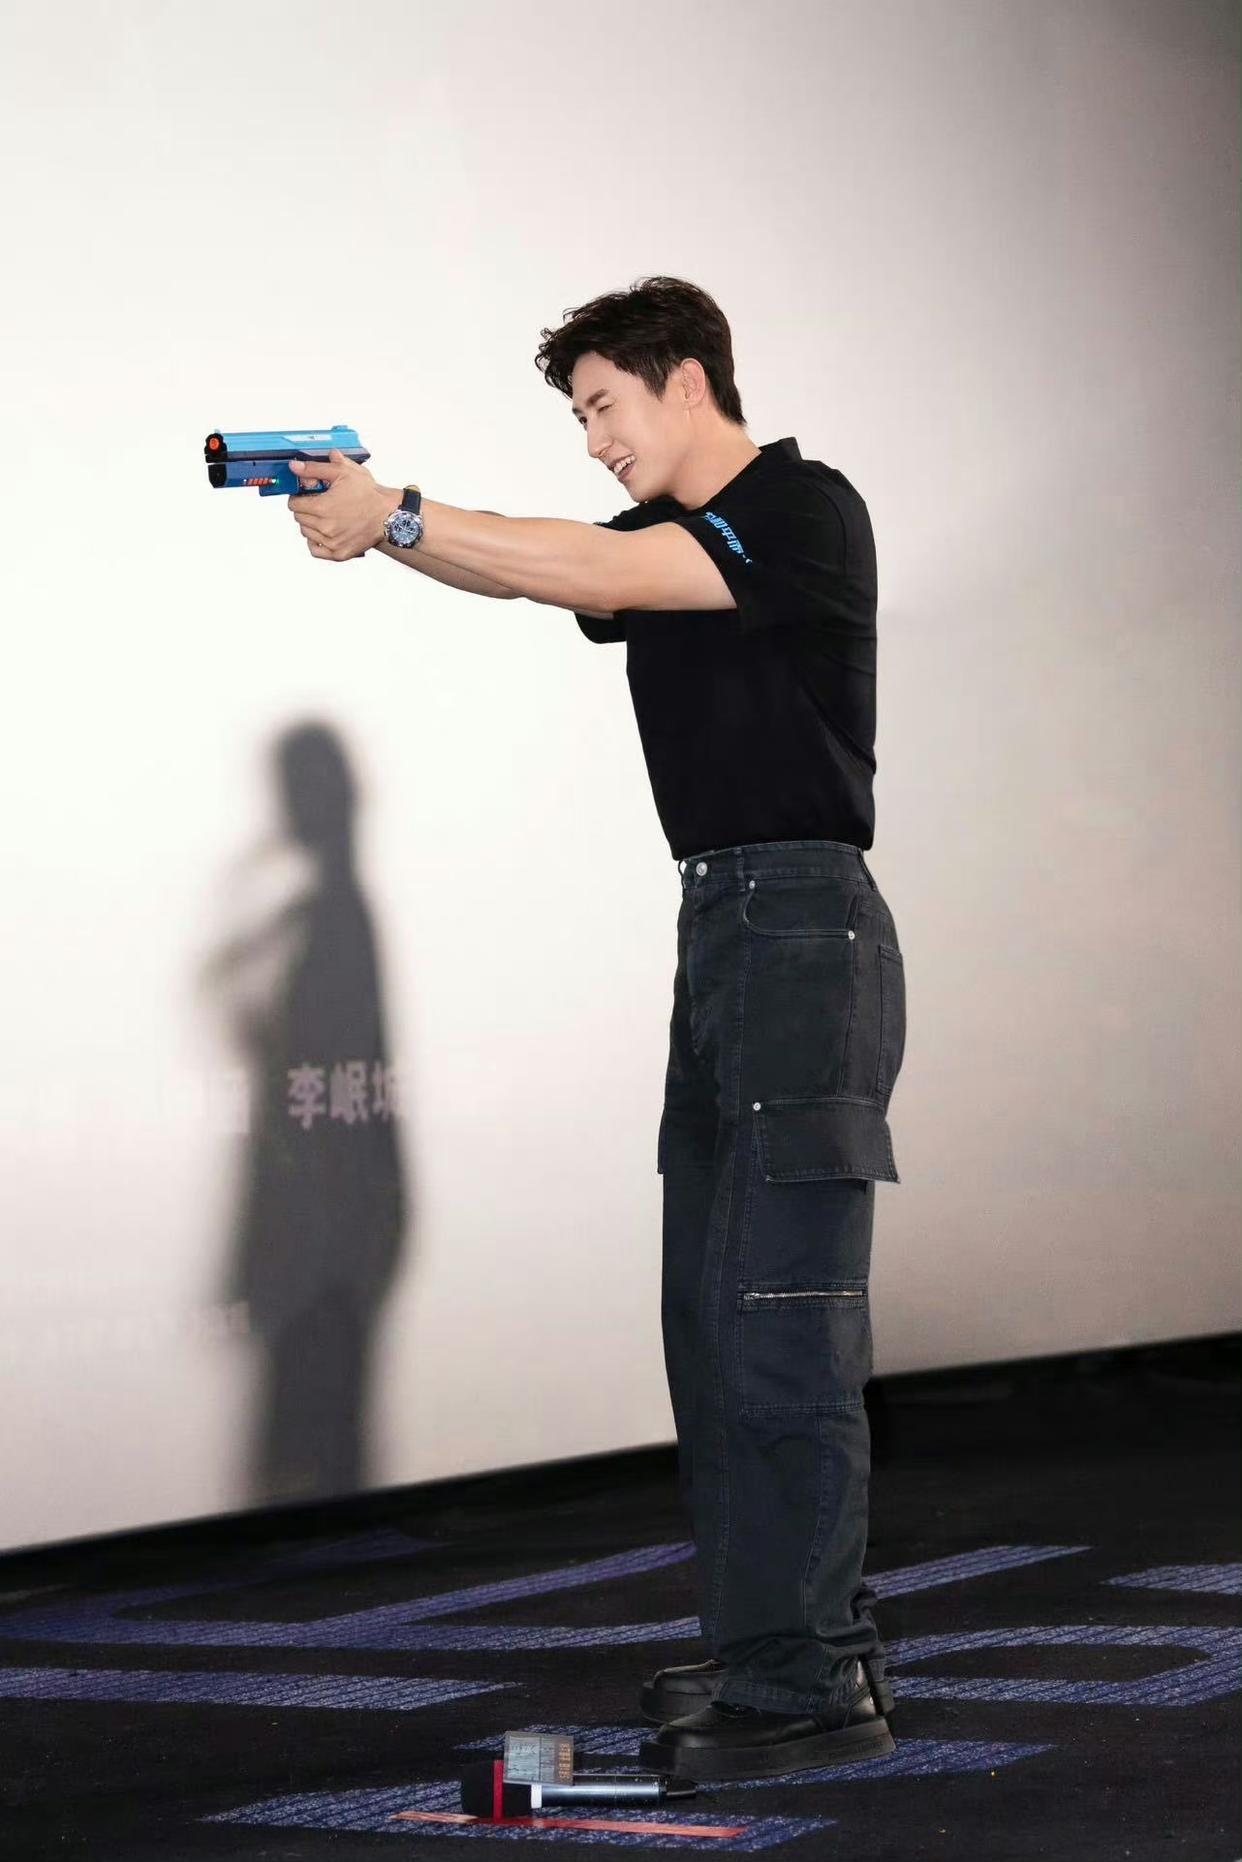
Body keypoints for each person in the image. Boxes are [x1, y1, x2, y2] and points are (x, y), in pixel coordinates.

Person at [288, 274, 907, 1782]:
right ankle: (773, 1645)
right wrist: (384, 525)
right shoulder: (654, 540)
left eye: (602, 406)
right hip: (731, 931)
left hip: (799, 927)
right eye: (579, 417)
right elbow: (533, 570)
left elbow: (585, 562)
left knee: (777, 1315)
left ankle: (811, 1683)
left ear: (686, 378)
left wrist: (396, 512)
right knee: (713, 1316)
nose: (592, 441)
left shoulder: (800, 509)